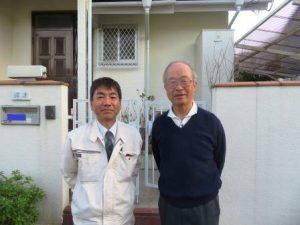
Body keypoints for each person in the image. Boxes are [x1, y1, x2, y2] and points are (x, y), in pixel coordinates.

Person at [151, 61, 226, 225]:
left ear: (194, 85)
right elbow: (160, 159)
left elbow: (218, 160)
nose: (178, 87)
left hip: (205, 206)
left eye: (184, 80)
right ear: (165, 88)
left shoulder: (212, 123)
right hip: (170, 206)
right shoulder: (159, 124)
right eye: (172, 82)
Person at [61, 77, 142, 225]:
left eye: (113, 97)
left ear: (120, 103)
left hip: (122, 219)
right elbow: (69, 173)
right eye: (100, 97)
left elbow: (133, 171)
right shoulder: (75, 138)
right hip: (87, 220)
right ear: (91, 104)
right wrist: (86, 193)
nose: (107, 102)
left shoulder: (133, 136)